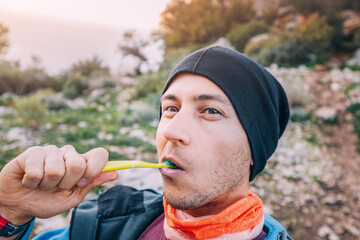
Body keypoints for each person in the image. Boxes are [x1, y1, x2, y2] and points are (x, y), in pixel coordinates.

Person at [0, 46, 292, 240]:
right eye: (170, 109)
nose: (172, 131)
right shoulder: (104, 224)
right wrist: (9, 214)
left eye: (210, 111)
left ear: (255, 148)